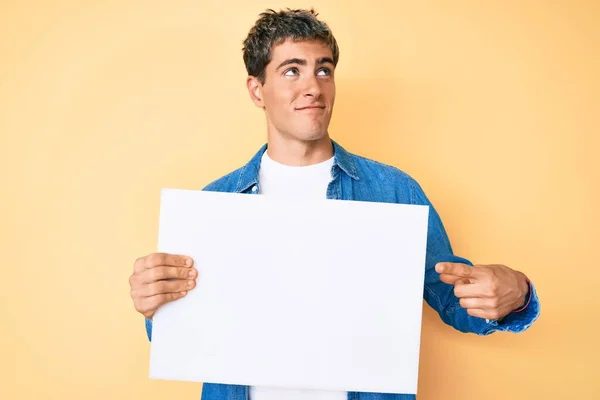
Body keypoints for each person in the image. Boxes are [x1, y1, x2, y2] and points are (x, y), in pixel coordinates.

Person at [128, 8, 540, 400]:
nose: (314, 86)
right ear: (257, 90)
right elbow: (182, 330)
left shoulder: (394, 191)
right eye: (292, 70)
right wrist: (153, 307)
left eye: (323, 70)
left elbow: (454, 301)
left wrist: (514, 293)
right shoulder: (214, 204)